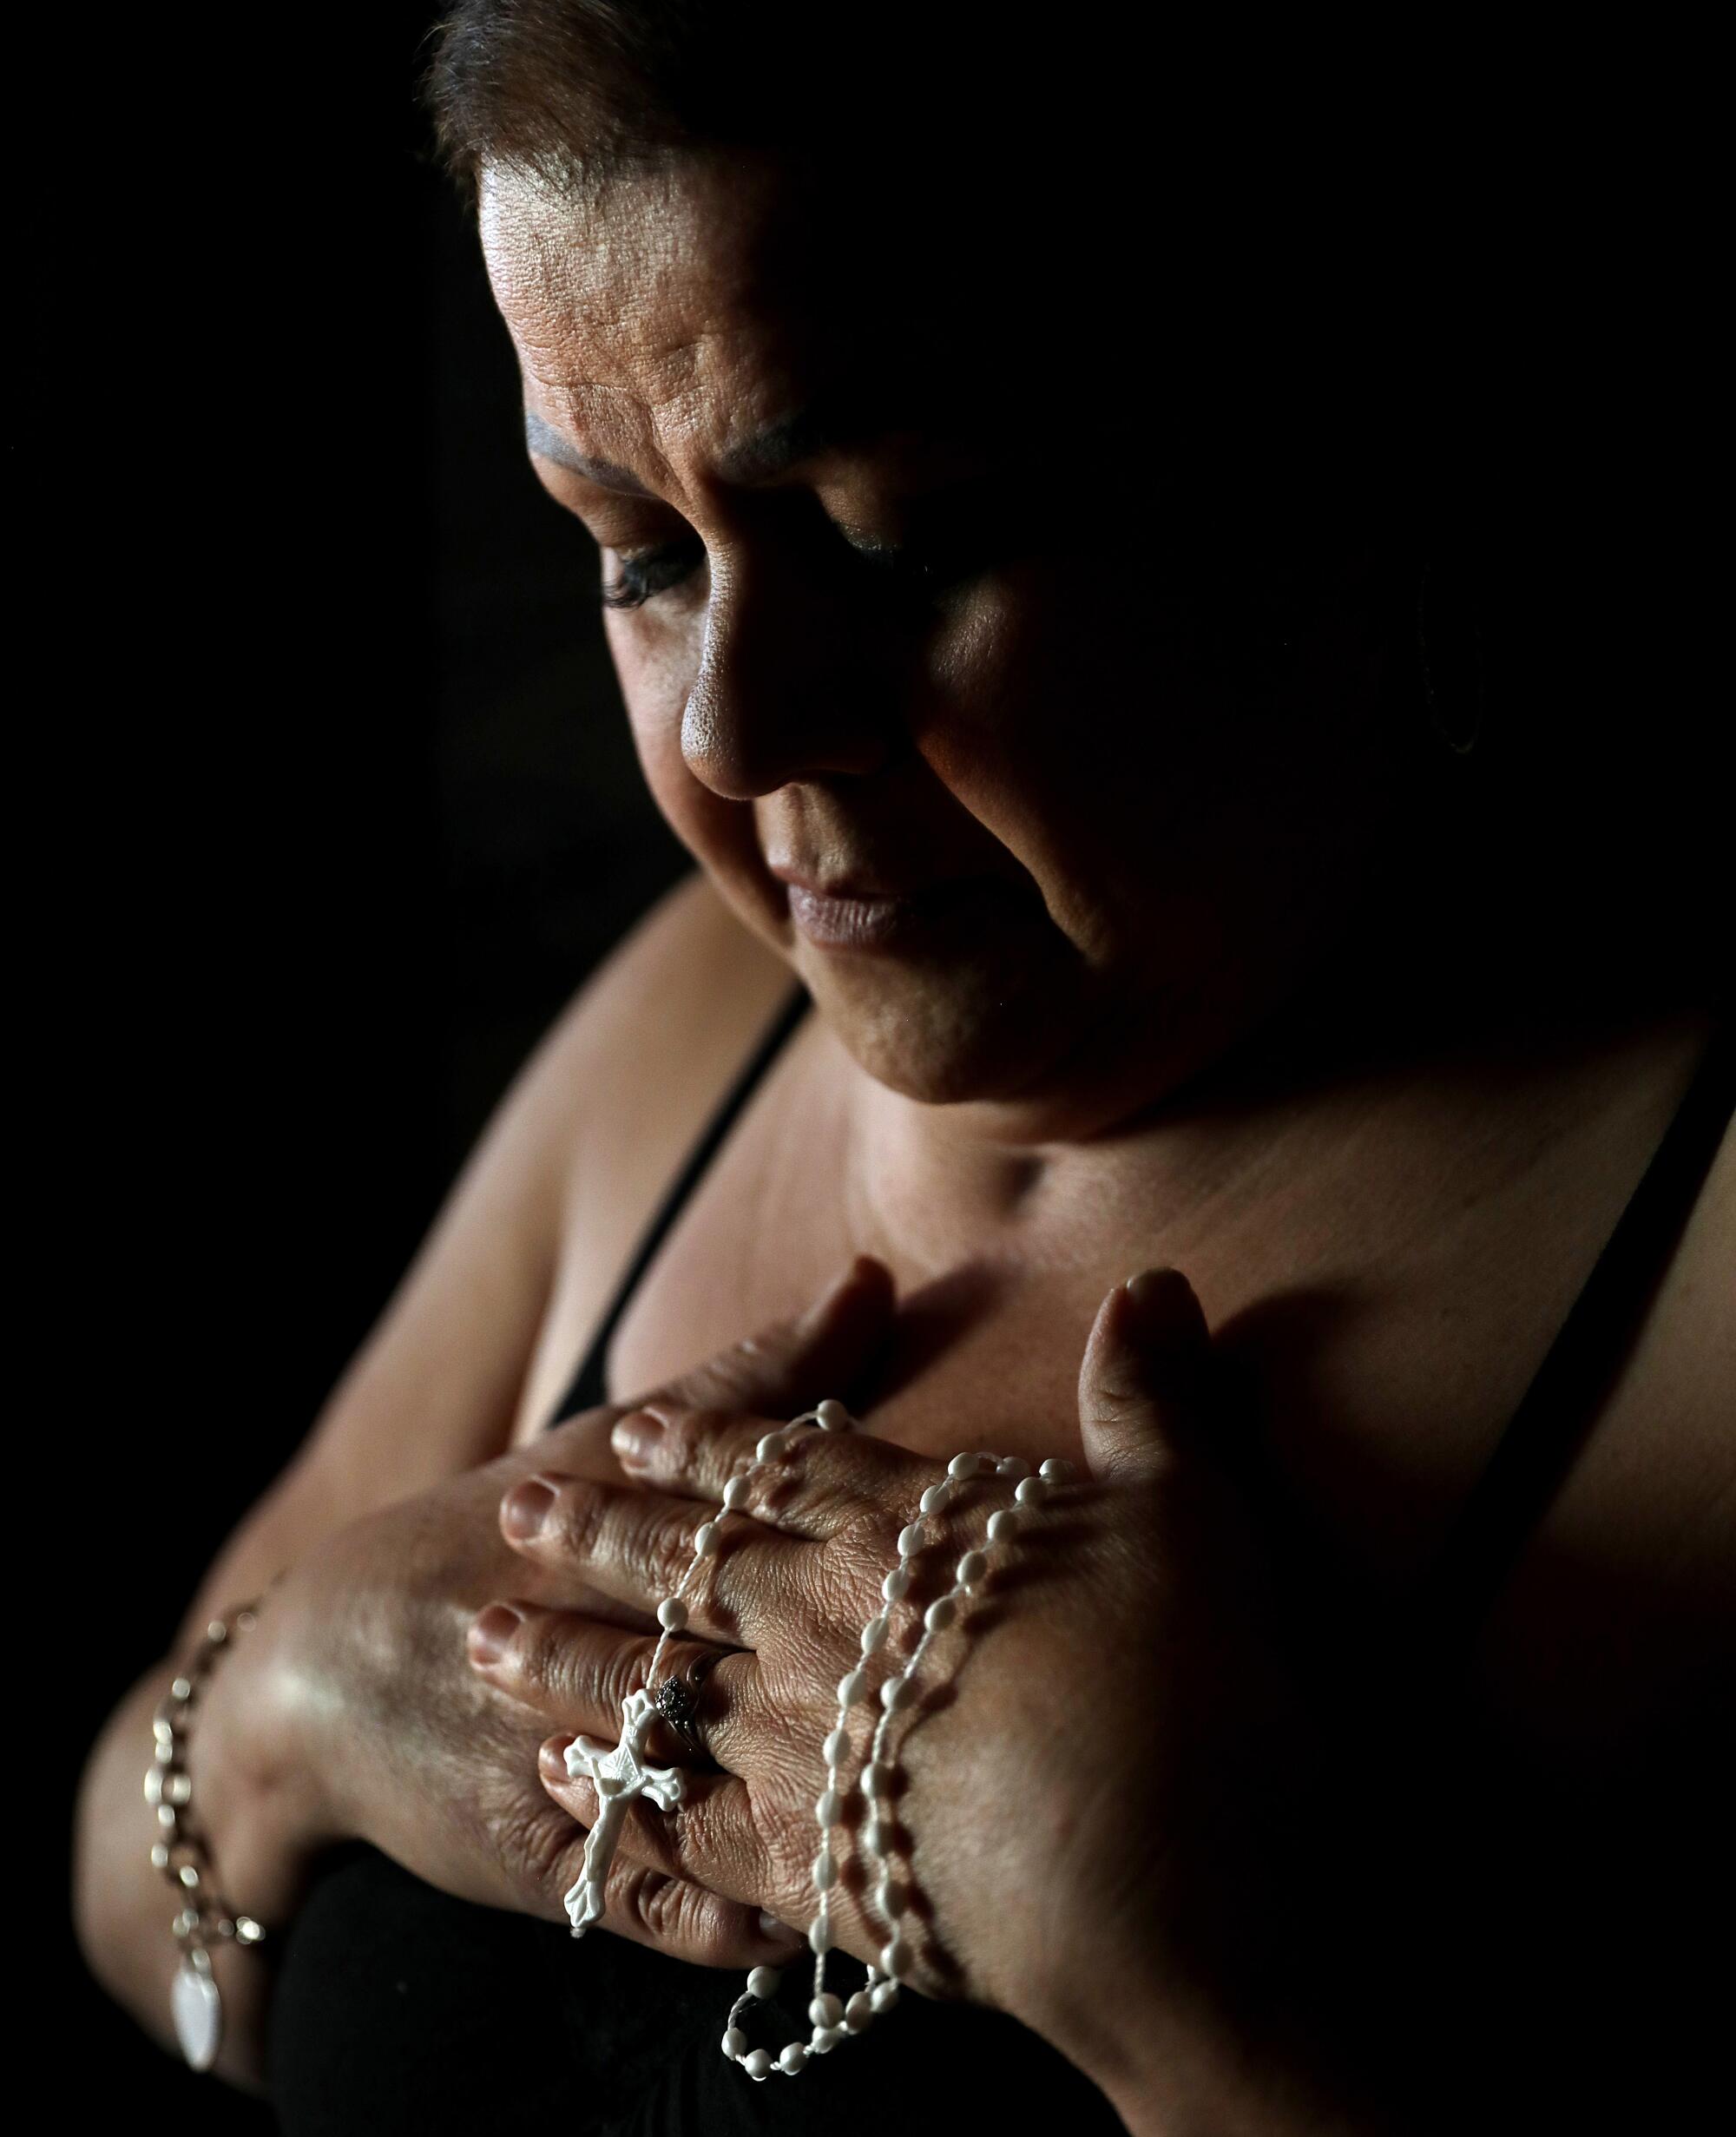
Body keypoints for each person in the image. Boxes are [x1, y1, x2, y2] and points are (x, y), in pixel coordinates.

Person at [74, 8, 1731, 2133]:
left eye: (893, 538)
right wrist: (303, 1702)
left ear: (1348, 443)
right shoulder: (691, 1021)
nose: (732, 738)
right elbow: (129, 1883)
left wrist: (1205, 1987)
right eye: (641, 555)